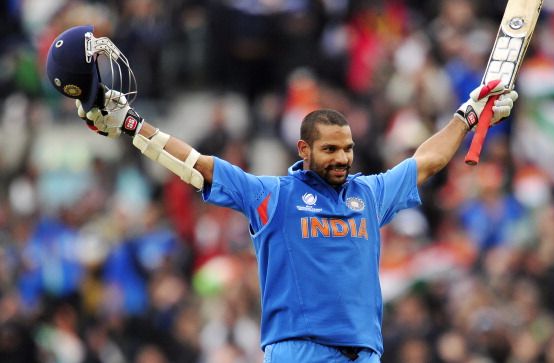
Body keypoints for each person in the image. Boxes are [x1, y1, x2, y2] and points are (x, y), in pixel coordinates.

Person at [48, 26, 518, 363]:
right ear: (303, 149)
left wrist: (469, 114)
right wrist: (134, 126)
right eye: (331, 149)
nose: (343, 158)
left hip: (365, 352)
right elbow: (197, 167)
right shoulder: (273, 195)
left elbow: (428, 161)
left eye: (348, 149)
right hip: (299, 350)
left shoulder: (370, 194)